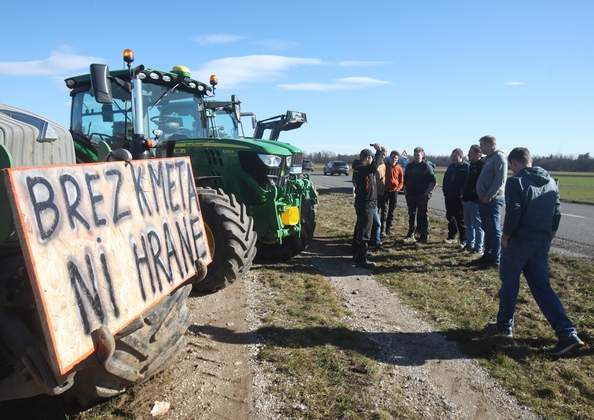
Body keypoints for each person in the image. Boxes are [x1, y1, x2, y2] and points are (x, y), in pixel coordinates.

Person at [483, 147, 584, 356]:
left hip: (519, 241)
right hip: (541, 241)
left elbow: (514, 210)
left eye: (511, 166)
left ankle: (504, 325)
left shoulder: (515, 181)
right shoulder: (551, 181)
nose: (511, 170)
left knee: (510, 283)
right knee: (542, 287)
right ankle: (567, 333)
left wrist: (506, 235)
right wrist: (550, 234)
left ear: (515, 163)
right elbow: (557, 212)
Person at [475, 135, 507, 267]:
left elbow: (500, 181)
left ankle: (495, 258)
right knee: (487, 228)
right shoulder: (489, 159)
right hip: (484, 199)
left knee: (494, 229)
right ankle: (487, 255)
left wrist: (488, 196)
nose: (481, 148)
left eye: (482, 145)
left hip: (492, 200)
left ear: (490, 144)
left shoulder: (499, 158)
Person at [353, 144, 386, 267]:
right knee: (364, 232)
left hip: (369, 203)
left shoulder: (363, 168)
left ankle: (357, 254)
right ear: (367, 158)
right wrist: (378, 151)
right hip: (366, 204)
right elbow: (374, 167)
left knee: (361, 229)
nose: (372, 160)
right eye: (371, 157)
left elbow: (374, 167)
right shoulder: (361, 168)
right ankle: (361, 259)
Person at [403, 147, 436, 243]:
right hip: (411, 195)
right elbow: (405, 181)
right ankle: (411, 234)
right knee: (411, 215)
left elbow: (433, 182)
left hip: (422, 195)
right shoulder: (409, 166)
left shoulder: (426, 166)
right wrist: (405, 191)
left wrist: (427, 193)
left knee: (423, 216)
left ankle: (424, 235)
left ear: (422, 155)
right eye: (415, 155)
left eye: (418, 155)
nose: (416, 156)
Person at [442, 148, 469, 246]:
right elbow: (445, 180)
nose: (452, 158)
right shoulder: (451, 167)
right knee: (450, 217)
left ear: (461, 156)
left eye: (455, 156)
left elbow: (467, 183)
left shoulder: (466, 167)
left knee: (460, 219)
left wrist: (462, 194)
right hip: (449, 196)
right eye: (451, 156)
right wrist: (445, 191)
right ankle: (452, 236)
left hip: (459, 198)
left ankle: (463, 239)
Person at [462, 145, 485, 254]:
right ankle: (469, 243)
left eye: (471, 153)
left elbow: (481, 183)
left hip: (476, 200)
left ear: (478, 154)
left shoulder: (482, 165)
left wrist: (476, 194)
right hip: (467, 199)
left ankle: (478, 247)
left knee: (477, 224)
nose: (468, 155)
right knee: (468, 223)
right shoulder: (471, 165)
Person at [381, 151, 404, 237]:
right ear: (390, 157)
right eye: (393, 157)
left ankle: (388, 229)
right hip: (385, 191)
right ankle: (382, 230)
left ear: (397, 159)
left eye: (396, 158)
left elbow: (401, 181)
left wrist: (398, 189)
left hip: (394, 192)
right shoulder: (385, 166)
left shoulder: (399, 168)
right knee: (384, 211)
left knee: (391, 211)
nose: (394, 159)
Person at [370, 155, 387, 248]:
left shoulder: (384, 165)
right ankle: (373, 241)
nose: (383, 156)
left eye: (384, 154)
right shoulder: (371, 168)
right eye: (382, 154)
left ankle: (375, 240)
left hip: (378, 196)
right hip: (370, 199)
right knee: (375, 223)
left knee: (377, 222)